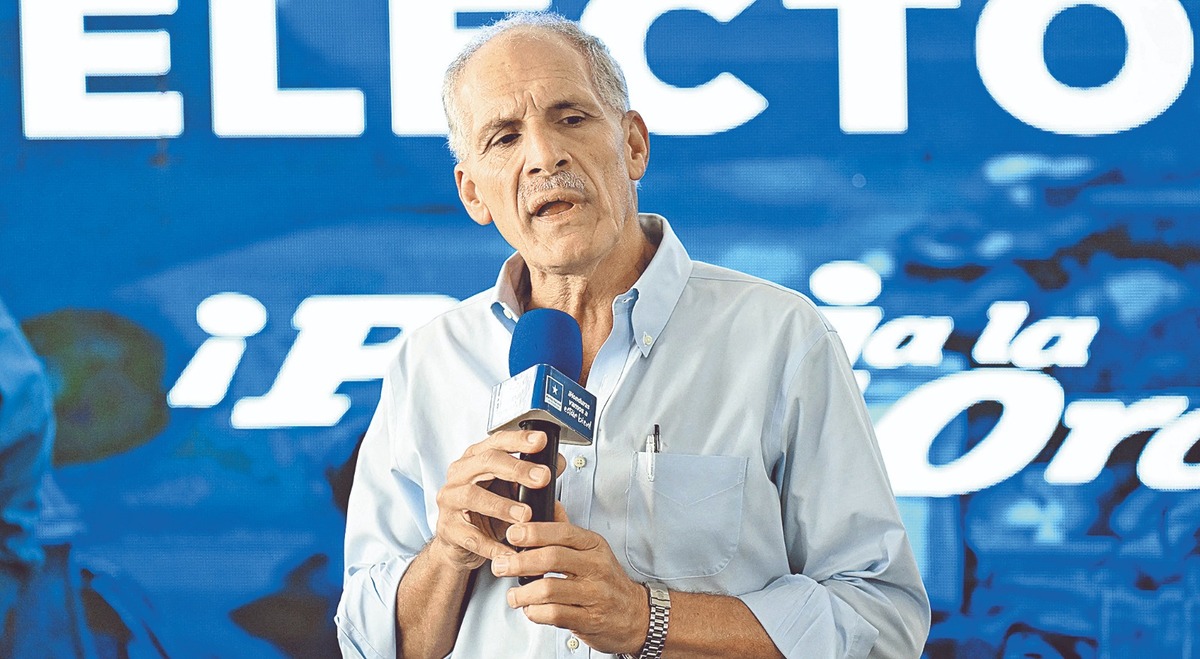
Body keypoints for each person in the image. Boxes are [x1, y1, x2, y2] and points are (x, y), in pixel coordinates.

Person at [336, 12, 929, 659]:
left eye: (571, 117)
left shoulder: (782, 337)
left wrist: (648, 617)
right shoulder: (429, 359)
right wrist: (448, 552)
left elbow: (881, 619)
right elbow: (368, 643)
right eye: (504, 137)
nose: (544, 155)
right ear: (473, 192)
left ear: (634, 144)